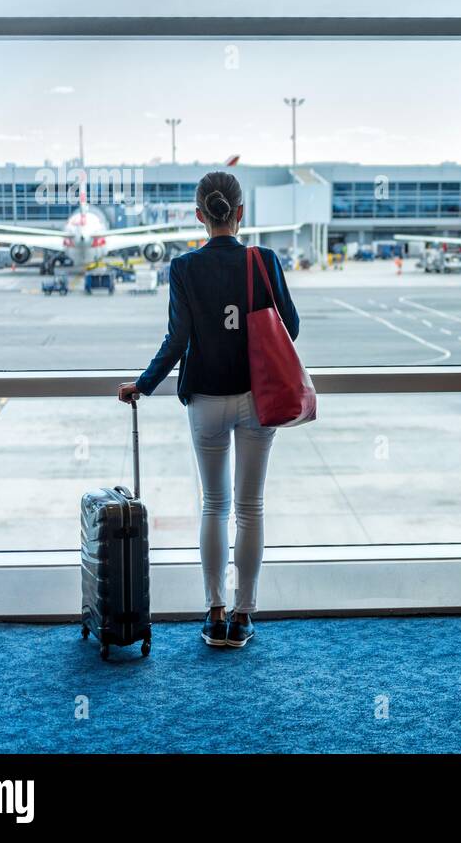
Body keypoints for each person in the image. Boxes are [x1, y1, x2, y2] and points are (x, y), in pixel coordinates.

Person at [117, 171, 299, 649]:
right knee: (250, 508)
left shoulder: (184, 268)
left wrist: (144, 384)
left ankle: (215, 613)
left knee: (214, 505)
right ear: (241, 213)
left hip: (206, 402)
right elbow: (291, 329)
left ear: (200, 216)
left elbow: (176, 341)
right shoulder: (264, 261)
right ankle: (244, 616)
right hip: (259, 400)